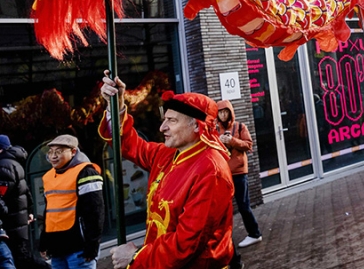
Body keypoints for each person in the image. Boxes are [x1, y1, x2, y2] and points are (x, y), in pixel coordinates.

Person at [99, 71, 234, 269]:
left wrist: (136, 255)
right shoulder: (166, 154)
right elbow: (128, 144)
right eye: (165, 119)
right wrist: (116, 106)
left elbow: (187, 244)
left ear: (197, 126)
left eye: (172, 121)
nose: (162, 128)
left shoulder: (211, 170)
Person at [38, 135, 104, 269]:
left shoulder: (86, 172)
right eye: (50, 152)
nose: (53, 156)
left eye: (59, 151)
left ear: (73, 152)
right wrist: (44, 243)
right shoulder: (48, 176)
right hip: (57, 250)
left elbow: (95, 211)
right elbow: (49, 212)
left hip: (79, 249)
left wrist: (92, 245)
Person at [215, 100, 262, 248]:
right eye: (220, 112)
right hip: (223, 173)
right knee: (222, 208)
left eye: (225, 112)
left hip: (239, 172)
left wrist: (232, 140)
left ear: (230, 113)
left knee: (243, 205)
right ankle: (223, 239)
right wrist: (220, 142)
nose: (223, 115)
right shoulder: (215, 130)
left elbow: (248, 145)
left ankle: (254, 234)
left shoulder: (239, 126)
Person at [0, 135, 44, 269]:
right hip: (18, 220)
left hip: (11, 223)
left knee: (21, 260)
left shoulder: (3, 166)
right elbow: (26, 190)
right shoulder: (13, 163)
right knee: (23, 258)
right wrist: (29, 210)